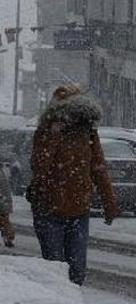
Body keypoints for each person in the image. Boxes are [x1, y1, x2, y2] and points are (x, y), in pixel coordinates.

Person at [27, 86, 119, 285]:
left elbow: (99, 168)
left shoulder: (88, 134)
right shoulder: (46, 131)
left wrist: (109, 201)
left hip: (78, 210)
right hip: (48, 210)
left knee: (77, 270)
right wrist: (53, 136)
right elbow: (39, 166)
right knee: (54, 271)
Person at [0, 166, 14, 248]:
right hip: (4, 201)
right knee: (5, 221)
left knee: (4, 221)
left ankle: (8, 238)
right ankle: (8, 238)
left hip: (2, 201)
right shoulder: (2, 173)